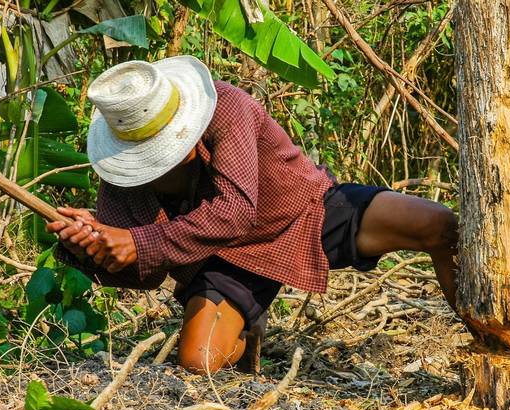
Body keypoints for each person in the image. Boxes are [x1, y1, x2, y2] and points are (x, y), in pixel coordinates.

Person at [47, 56, 458, 374]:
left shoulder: (227, 107)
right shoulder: (120, 169)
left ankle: (493, 337)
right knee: (198, 362)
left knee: (442, 228)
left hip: (303, 212)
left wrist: (137, 242)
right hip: (222, 258)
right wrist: (92, 248)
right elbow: (148, 274)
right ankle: (246, 327)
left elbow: (234, 211)